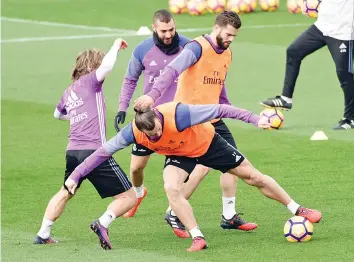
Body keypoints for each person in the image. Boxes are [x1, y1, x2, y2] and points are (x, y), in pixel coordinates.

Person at [65, 102, 322, 252]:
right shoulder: (134, 132)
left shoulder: (180, 114)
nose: (154, 138)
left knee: (254, 177)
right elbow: (101, 153)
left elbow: (223, 109)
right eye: (150, 136)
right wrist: (76, 175)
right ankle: (198, 236)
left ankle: (298, 209)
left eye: (156, 132)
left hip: (208, 144)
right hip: (179, 155)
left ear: (158, 117)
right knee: (171, 187)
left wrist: (255, 119)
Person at [134, 10, 257, 236]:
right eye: (229, 34)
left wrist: (228, 109)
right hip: (190, 118)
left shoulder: (227, 53)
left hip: (214, 117)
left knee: (232, 162)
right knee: (201, 169)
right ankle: (173, 211)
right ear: (217, 28)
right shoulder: (195, 48)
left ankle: (229, 216)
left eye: (234, 36)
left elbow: (219, 84)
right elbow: (171, 72)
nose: (231, 39)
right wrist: (152, 95)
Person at [33, 39, 136, 250]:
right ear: (90, 67)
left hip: (73, 152)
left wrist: (76, 117)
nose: (100, 68)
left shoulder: (68, 91)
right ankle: (103, 223)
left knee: (65, 192)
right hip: (94, 152)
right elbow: (107, 67)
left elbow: (57, 114)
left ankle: (43, 233)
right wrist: (115, 45)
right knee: (129, 197)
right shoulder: (91, 81)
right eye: (97, 64)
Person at [113, 9, 190, 221]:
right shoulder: (143, 49)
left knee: (181, 172)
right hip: (149, 119)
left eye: (172, 29)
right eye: (164, 30)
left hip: (178, 118)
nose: (168, 35)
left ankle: (174, 211)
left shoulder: (189, 46)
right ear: (154, 28)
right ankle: (138, 193)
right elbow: (130, 79)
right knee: (136, 168)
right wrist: (122, 106)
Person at [261, 0, 354, 130]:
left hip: (343, 33)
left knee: (345, 75)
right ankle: (286, 99)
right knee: (293, 51)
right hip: (322, 26)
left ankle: (349, 119)